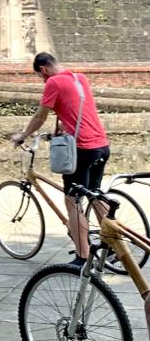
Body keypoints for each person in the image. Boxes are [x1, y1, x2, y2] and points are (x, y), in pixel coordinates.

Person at [11, 52, 109, 268]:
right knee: (95, 194)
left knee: (72, 201)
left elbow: (40, 116)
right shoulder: (79, 78)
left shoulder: (53, 82)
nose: (43, 80)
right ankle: (113, 244)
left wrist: (23, 135)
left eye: (40, 76)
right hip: (101, 145)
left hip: (81, 149)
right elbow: (74, 110)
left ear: (43, 69)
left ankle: (83, 258)